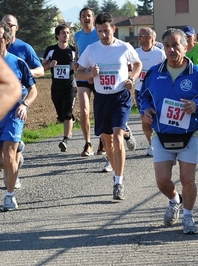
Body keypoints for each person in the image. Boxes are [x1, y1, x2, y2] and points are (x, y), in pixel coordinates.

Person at [138, 28, 198, 234]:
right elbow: (143, 96)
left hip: (190, 134)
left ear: (185, 46)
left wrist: (196, 105)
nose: (172, 50)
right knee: (162, 181)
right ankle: (175, 201)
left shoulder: (196, 73)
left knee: (187, 179)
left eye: (176, 45)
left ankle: (188, 217)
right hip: (162, 133)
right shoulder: (154, 73)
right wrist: (145, 110)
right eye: (167, 46)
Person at [76, 12, 142, 200]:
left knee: (117, 136)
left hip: (120, 96)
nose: (104, 35)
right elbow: (78, 75)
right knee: (107, 141)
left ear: (113, 29)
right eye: (100, 32)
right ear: (96, 32)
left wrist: (132, 78)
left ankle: (118, 182)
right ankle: (116, 171)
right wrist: (90, 72)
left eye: (107, 31)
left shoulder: (124, 47)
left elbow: (137, 64)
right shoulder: (91, 50)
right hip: (102, 98)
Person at [0, 21, 37, 211]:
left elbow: (33, 90)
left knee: (8, 157)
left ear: (6, 39)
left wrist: (24, 105)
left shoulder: (18, 63)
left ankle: (9, 196)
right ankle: (18, 153)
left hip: (14, 114)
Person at [2, 14, 43, 175]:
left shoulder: (24, 48)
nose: (7, 28)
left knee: (12, 139)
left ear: (16, 28)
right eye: (4, 24)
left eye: (10, 25)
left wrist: (23, 72)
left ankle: (13, 175)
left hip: (19, 101)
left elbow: (40, 69)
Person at [42, 24, 77, 152]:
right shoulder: (51, 50)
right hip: (56, 88)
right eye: (63, 33)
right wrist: (50, 65)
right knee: (62, 116)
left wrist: (76, 67)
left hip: (70, 87)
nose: (66, 35)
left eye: (68, 33)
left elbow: (80, 65)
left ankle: (65, 140)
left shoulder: (73, 50)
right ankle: (70, 121)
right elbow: (43, 67)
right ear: (57, 35)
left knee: (67, 114)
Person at [134, 27, 166, 156]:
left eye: (141, 36)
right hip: (140, 91)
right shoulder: (135, 53)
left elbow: (166, 71)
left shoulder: (159, 54)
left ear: (149, 38)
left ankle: (160, 141)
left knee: (158, 118)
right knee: (144, 119)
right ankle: (150, 144)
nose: (138, 38)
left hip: (156, 91)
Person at [74, 7, 101, 157]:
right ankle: (88, 143)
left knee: (100, 110)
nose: (86, 18)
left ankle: (103, 139)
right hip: (83, 75)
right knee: (84, 111)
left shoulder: (98, 33)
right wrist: (75, 63)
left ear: (93, 17)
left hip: (98, 75)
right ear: (80, 19)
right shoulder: (76, 35)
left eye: (89, 15)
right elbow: (77, 55)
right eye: (83, 16)